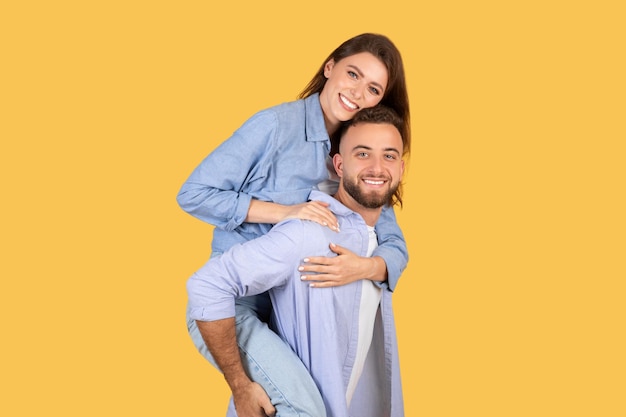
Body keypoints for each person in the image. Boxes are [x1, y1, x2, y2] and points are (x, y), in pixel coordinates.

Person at [178, 33, 410, 416]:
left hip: (287, 311)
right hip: (234, 302)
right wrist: (282, 212)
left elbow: (393, 242)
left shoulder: (355, 154)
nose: (357, 93)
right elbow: (195, 193)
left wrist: (365, 267)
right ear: (330, 67)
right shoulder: (273, 126)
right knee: (302, 408)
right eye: (352, 74)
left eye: (372, 89)